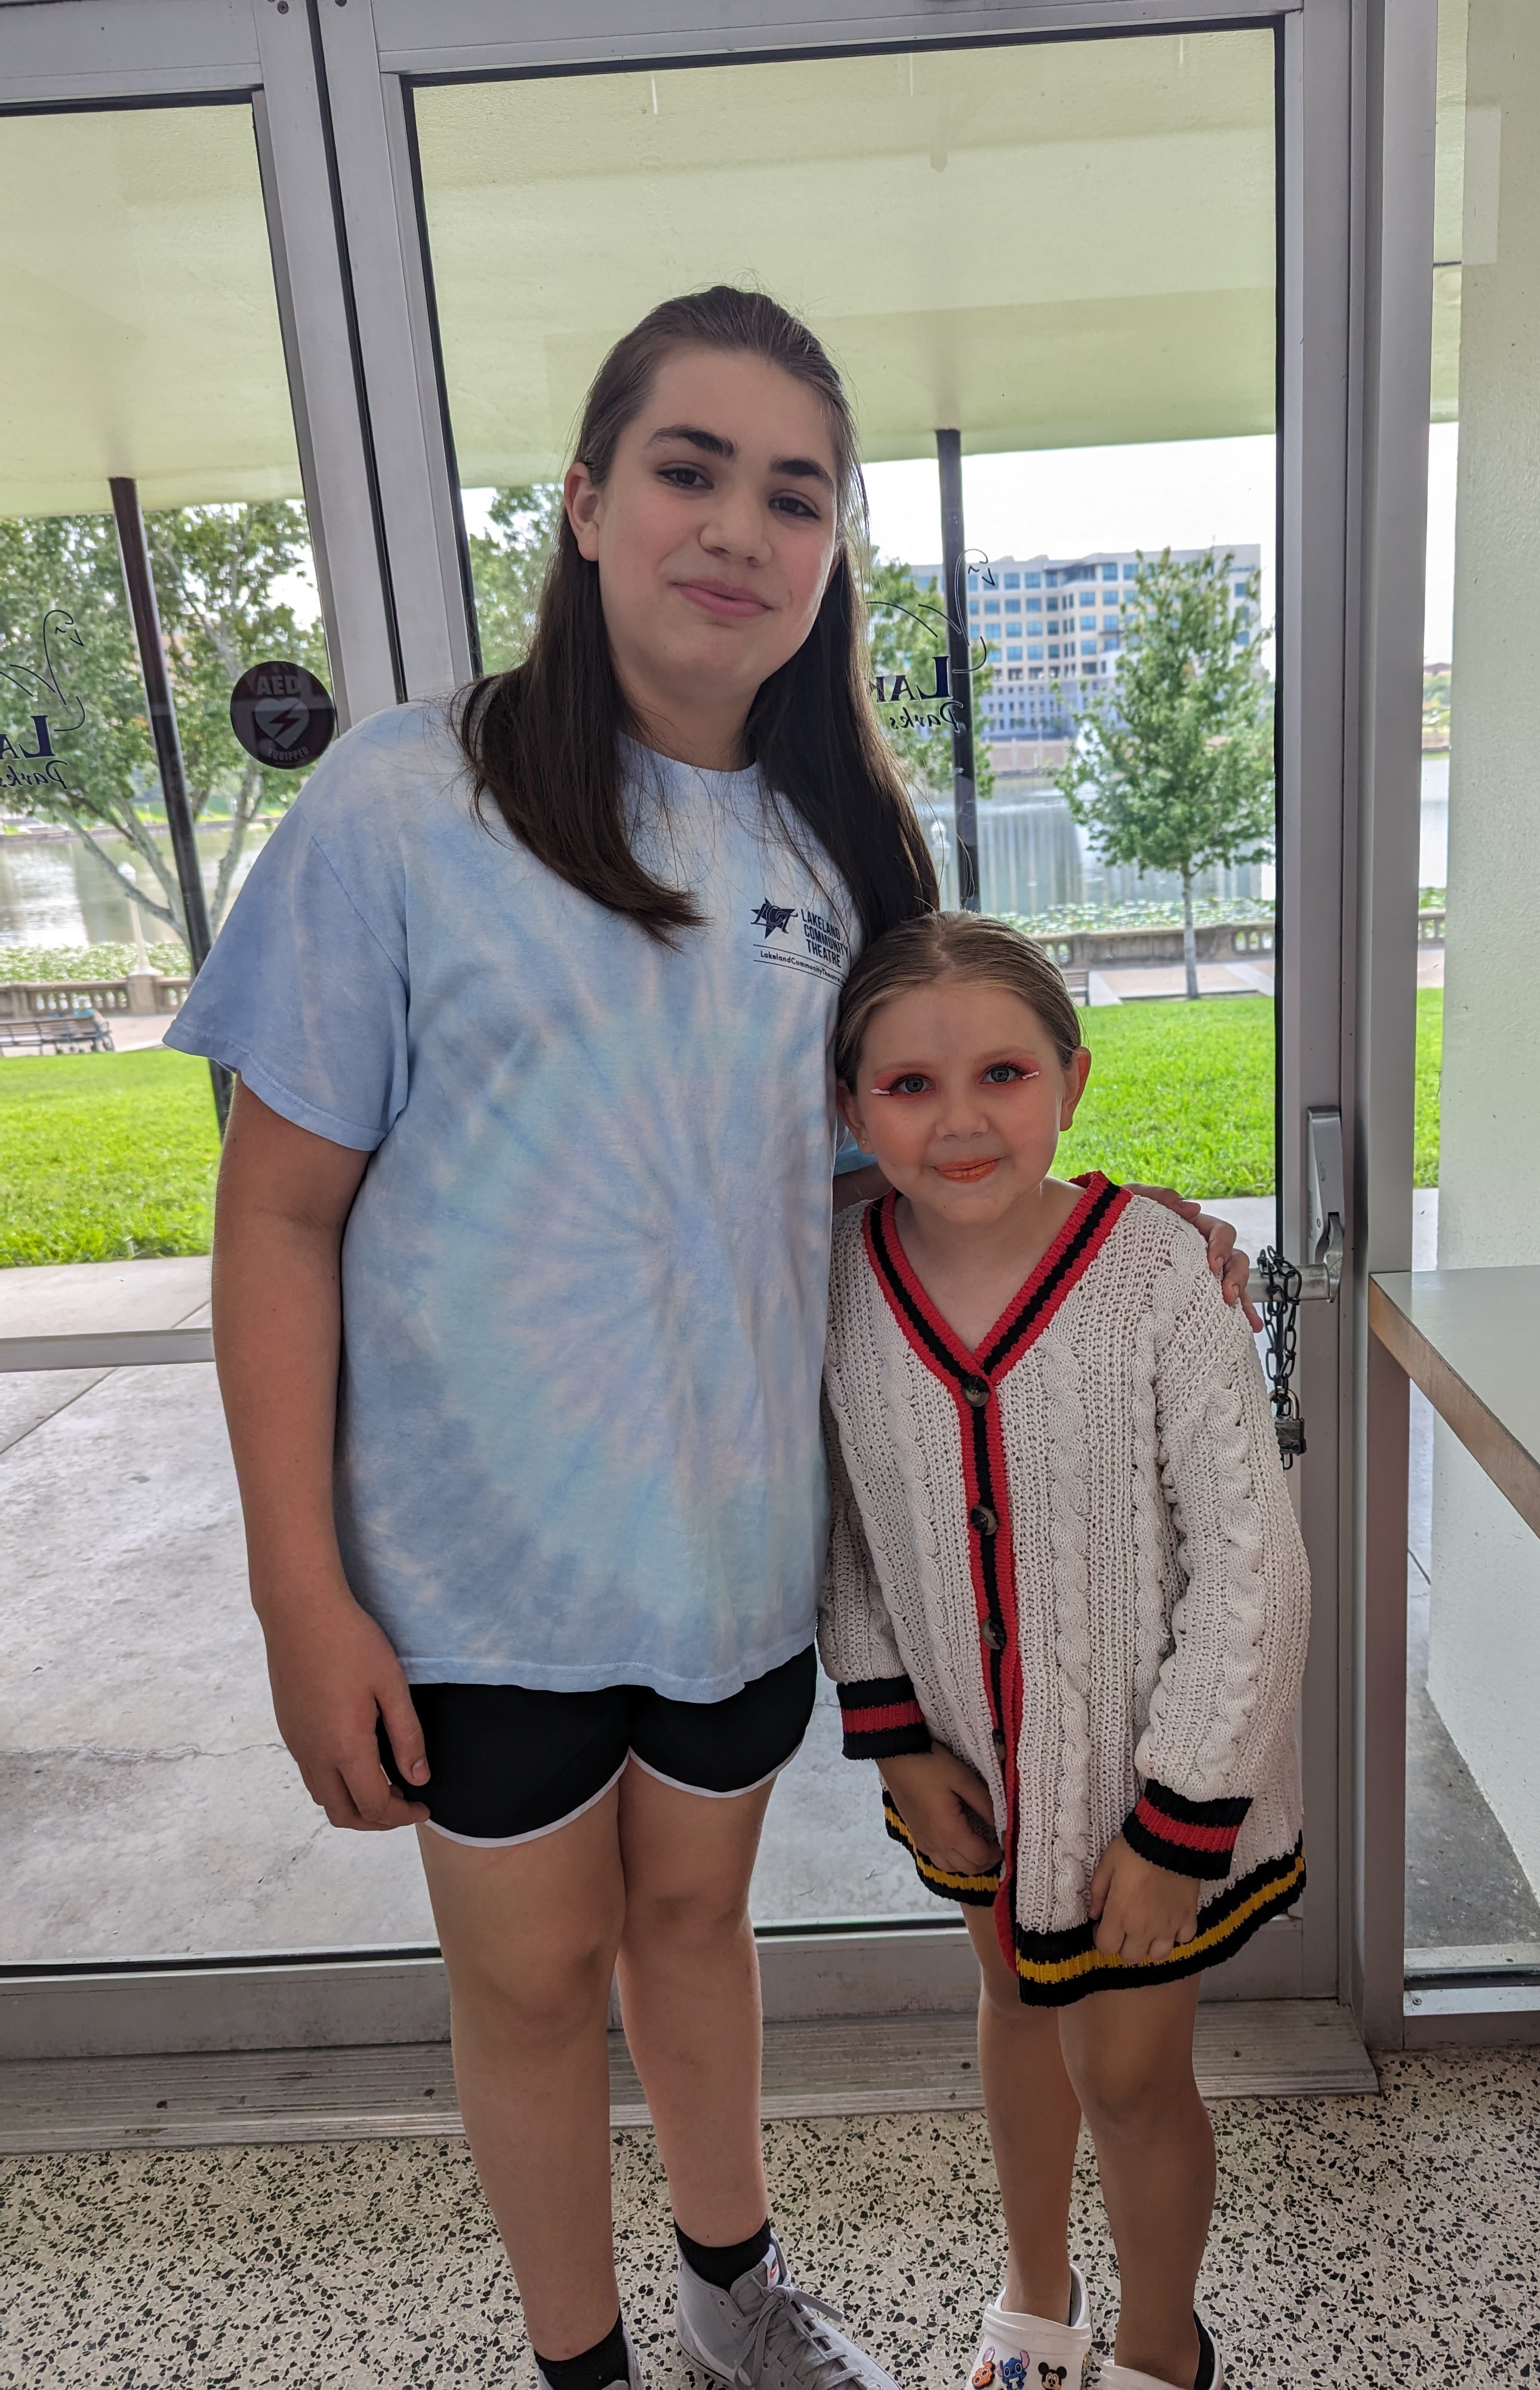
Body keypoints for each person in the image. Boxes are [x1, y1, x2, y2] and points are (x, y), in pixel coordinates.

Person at [167, 287, 1253, 2390]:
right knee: (532, 1985)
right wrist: (300, 1590)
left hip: (736, 1556)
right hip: (474, 1579)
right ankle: (583, 2370)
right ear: (584, 504)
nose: (740, 528)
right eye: (690, 470)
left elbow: (895, 1177)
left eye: (796, 494)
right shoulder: (405, 803)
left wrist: (1121, 1235)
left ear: (834, 548)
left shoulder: (844, 850)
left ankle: (734, 2299)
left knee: (693, 1930)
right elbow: (278, 1213)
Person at [819, 913, 1310, 2390]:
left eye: (1004, 1073)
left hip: (1153, 1790)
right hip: (972, 1773)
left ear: (1073, 1080)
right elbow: (845, 1533)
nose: (961, 1120)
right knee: (1017, 2008)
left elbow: (1253, 1567)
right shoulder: (837, 1283)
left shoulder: (1155, 1277)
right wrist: (896, 1740)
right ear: (850, 1107)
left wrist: (1176, 1826)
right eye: (908, 1086)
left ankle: (1163, 2348)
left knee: (1131, 2074)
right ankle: (1037, 2300)